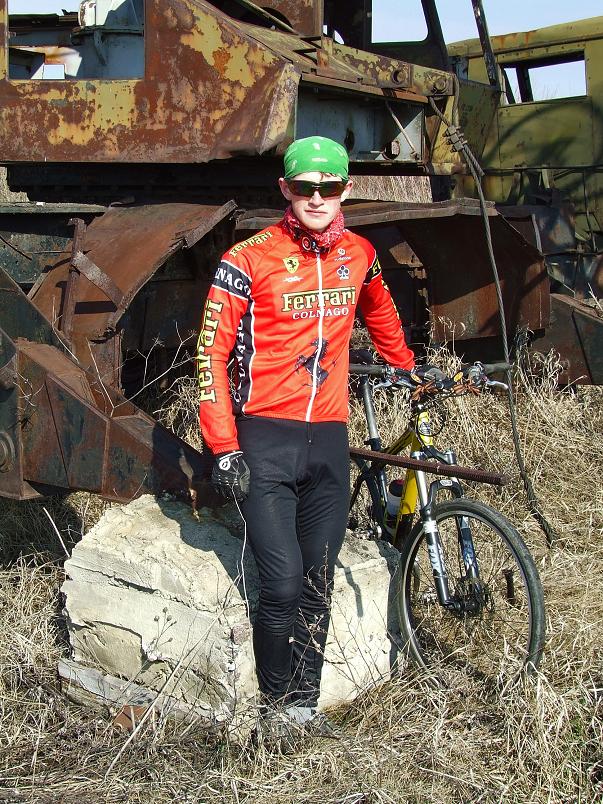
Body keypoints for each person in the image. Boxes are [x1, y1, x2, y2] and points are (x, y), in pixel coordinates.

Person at [197, 135, 415, 740]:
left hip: (328, 443)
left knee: (318, 583)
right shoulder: (247, 259)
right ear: (285, 190)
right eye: (304, 187)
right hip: (264, 440)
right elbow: (209, 356)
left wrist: (407, 369)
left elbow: (381, 313)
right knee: (283, 582)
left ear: (346, 190)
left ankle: (302, 706)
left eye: (329, 187)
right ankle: (273, 709)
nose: (317, 198)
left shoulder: (360, 254)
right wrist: (224, 447)